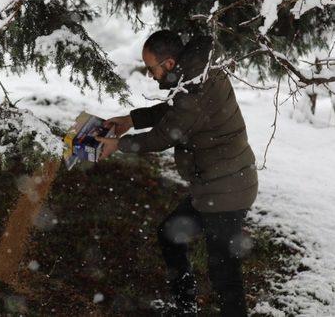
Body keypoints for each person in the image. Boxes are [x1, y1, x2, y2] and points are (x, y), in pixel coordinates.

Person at [95, 30, 258, 316]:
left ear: (169, 64)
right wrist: (131, 120)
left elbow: (162, 136)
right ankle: (185, 308)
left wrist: (119, 145)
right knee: (171, 235)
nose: (150, 75)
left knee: (224, 273)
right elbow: (173, 110)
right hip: (215, 185)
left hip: (228, 188)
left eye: (151, 68)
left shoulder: (194, 90)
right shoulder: (195, 75)